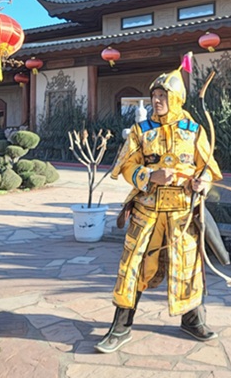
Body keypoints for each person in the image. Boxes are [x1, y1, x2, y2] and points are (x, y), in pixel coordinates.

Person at [95, 65, 223, 354]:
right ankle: (120, 326)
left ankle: (193, 320)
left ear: (176, 98)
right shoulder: (140, 131)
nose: (156, 100)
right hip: (147, 211)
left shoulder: (194, 131)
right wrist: (150, 175)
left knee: (187, 265)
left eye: (162, 95)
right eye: (154, 95)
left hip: (182, 213)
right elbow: (125, 166)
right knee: (133, 265)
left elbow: (208, 167)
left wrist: (202, 181)